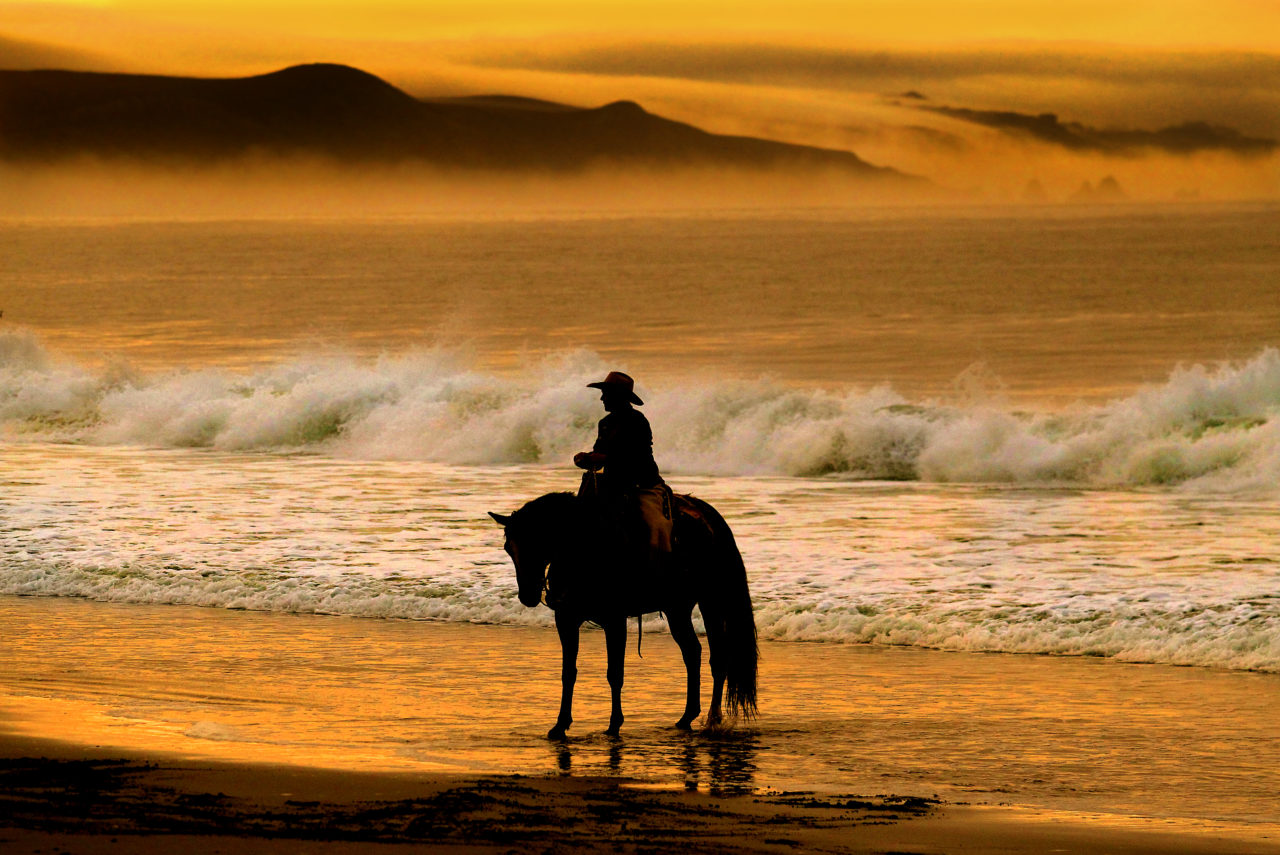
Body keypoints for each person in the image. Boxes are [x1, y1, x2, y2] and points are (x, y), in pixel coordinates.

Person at [573, 372, 673, 574]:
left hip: (642, 485)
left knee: (657, 527)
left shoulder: (637, 421)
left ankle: (661, 575)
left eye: (606, 394)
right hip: (612, 485)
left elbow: (635, 457)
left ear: (619, 396)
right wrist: (586, 460)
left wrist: (602, 459)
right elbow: (600, 456)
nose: (602, 399)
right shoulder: (605, 423)